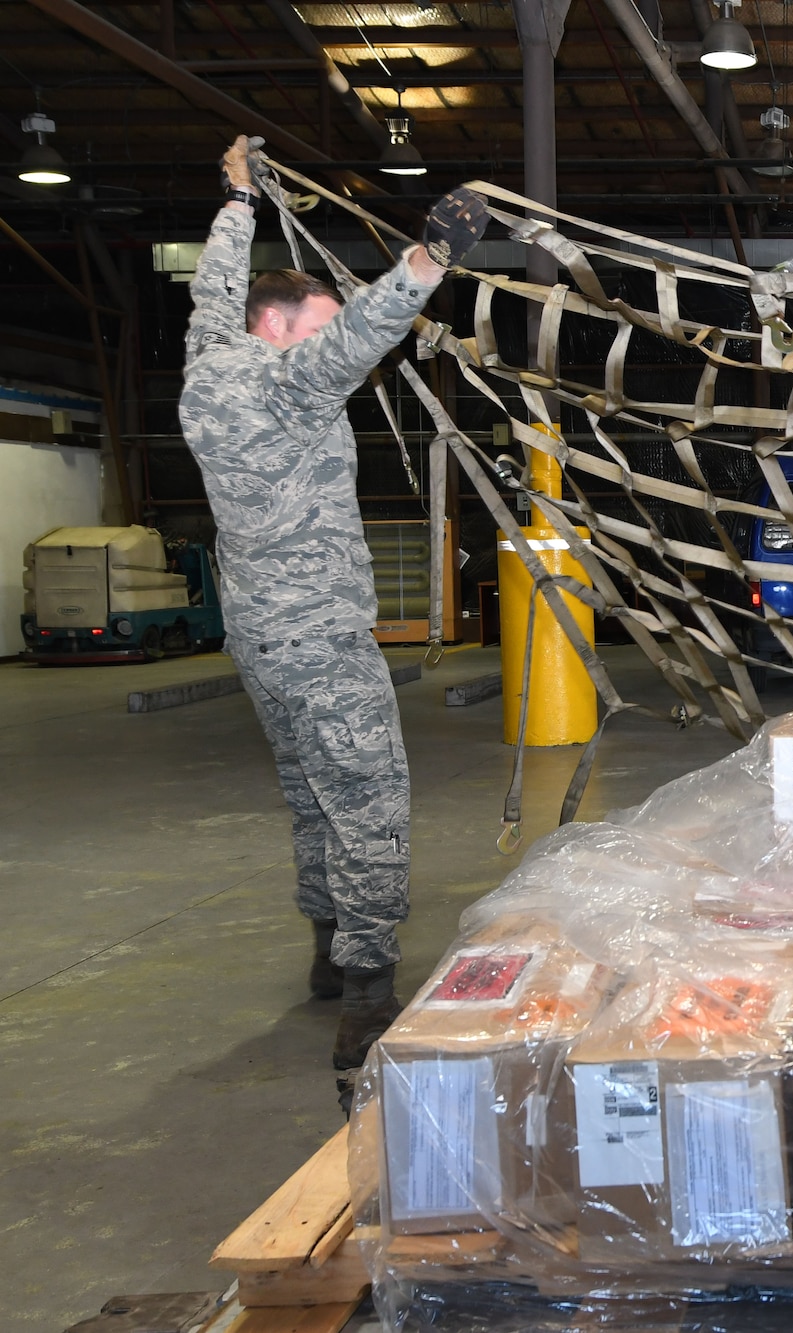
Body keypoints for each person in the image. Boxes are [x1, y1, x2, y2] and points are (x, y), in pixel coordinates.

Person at [179, 135, 488, 1111]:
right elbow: (364, 331)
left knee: (312, 800)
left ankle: (324, 956)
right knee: (368, 807)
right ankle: (366, 996)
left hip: (258, 644)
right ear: (279, 330)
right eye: (308, 328)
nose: (322, 344)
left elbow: (208, 293)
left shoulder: (209, 363)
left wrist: (238, 201)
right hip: (320, 641)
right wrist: (428, 261)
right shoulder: (288, 383)